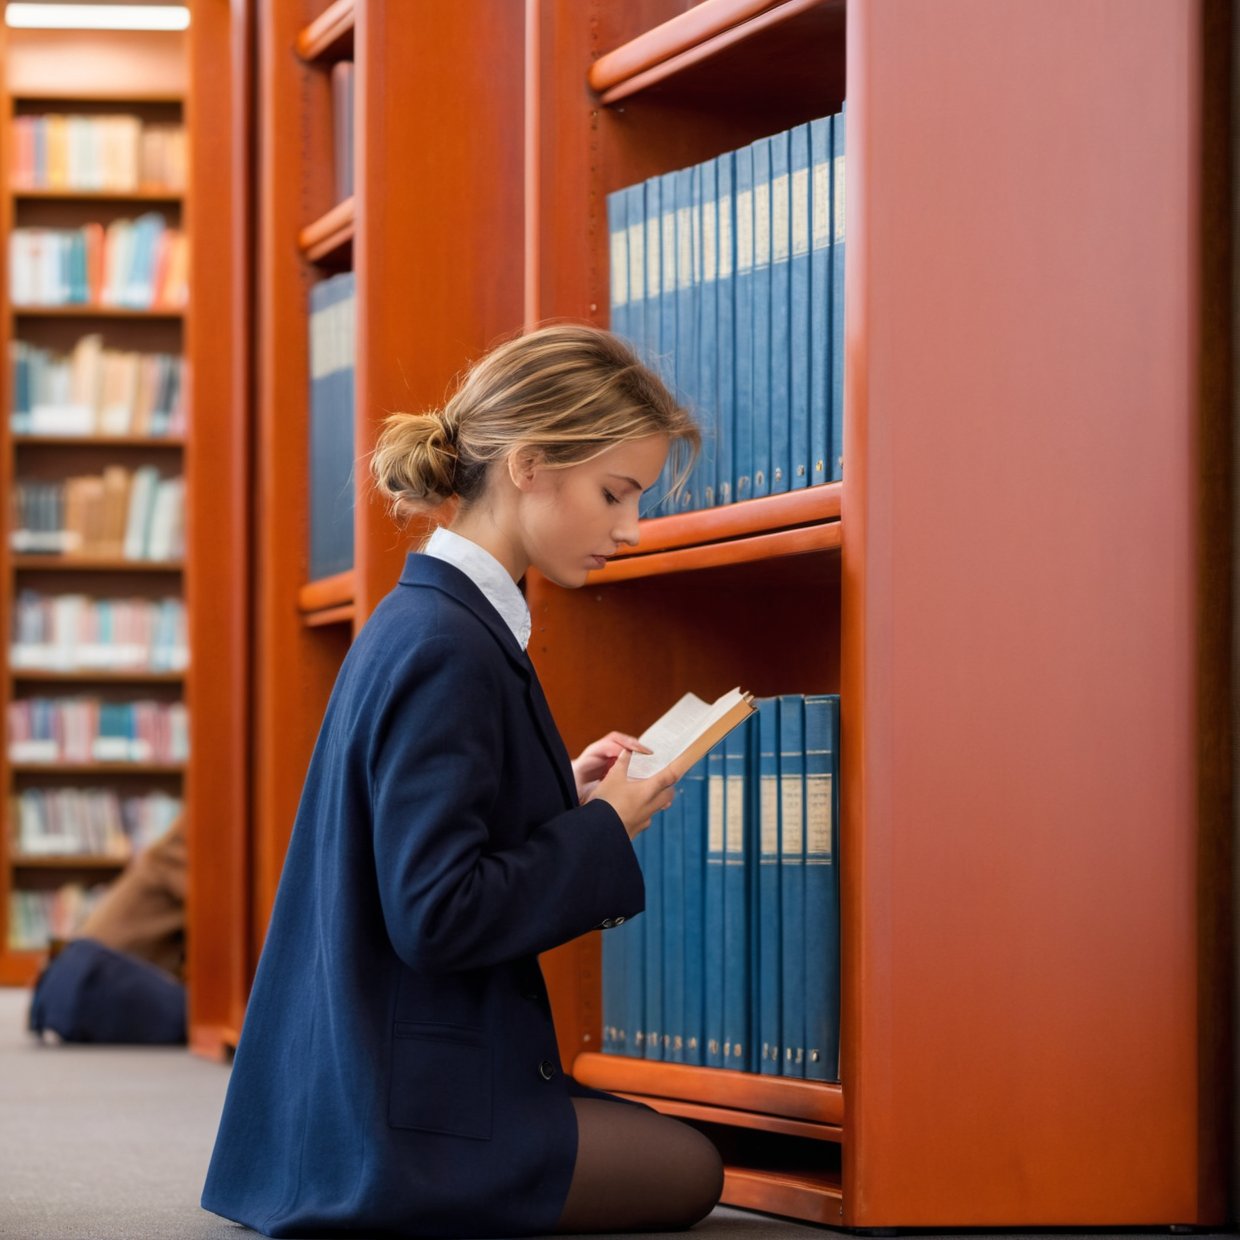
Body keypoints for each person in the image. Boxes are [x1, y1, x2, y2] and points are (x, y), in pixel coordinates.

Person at [201, 324, 725, 1238]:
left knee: (644, 1141)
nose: (631, 529)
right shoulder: (450, 646)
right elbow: (438, 914)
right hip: (400, 1115)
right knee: (691, 1169)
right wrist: (600, 831)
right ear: (529, 465)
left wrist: (560, 791)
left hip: (361, 1087)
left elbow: (415, 833)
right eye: (614, 492)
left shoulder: (428, 621)